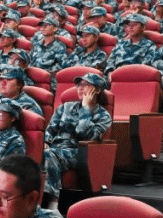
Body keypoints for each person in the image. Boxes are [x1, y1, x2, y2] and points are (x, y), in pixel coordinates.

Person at [42, 74, 112, 207]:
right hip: (56, 149)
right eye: (79, 85)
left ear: (97, 90)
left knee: (49, 154)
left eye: (86, 85)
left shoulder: (103, 116)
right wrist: (45, 142)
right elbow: (51, 130)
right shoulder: (65, 107)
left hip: (79, 152)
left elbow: (84, 133)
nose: (80, 88)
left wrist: (86, 109)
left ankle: (52, 204)